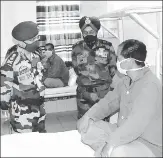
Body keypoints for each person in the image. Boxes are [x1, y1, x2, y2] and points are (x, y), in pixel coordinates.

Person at [77, 39, 162, 157]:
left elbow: (135, 124)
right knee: (88, 128)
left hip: (146, 142)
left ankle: (109, 151)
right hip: (123, 131)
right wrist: (89, 116)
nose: (116, 61)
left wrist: (111, 143)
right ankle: (106, 151)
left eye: (119, 57)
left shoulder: (150, 86)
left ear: (130, 61)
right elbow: (108, 103)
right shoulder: (125, 81)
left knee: (118, 153)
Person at [0, 21, 46, 133]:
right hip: (22, 111)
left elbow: (39, 75)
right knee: (23, 143)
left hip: (39, 106)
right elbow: (4, 84)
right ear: (20, 42)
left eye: (36, 38)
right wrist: (4, 106)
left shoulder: (36, 54)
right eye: (31, 40)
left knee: (41, 138)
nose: (35, 41)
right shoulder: (12, 59)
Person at [71, 16, 117, 119]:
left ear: (96, 32)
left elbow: (113, 69)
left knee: (103, 123)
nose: (88, 34)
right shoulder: (76, 48)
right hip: (84, 93)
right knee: (84, 123)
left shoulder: (107, 46)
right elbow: (76, 69)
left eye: (91, 31)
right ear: (82, 33)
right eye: (85, 32)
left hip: (103, 93)